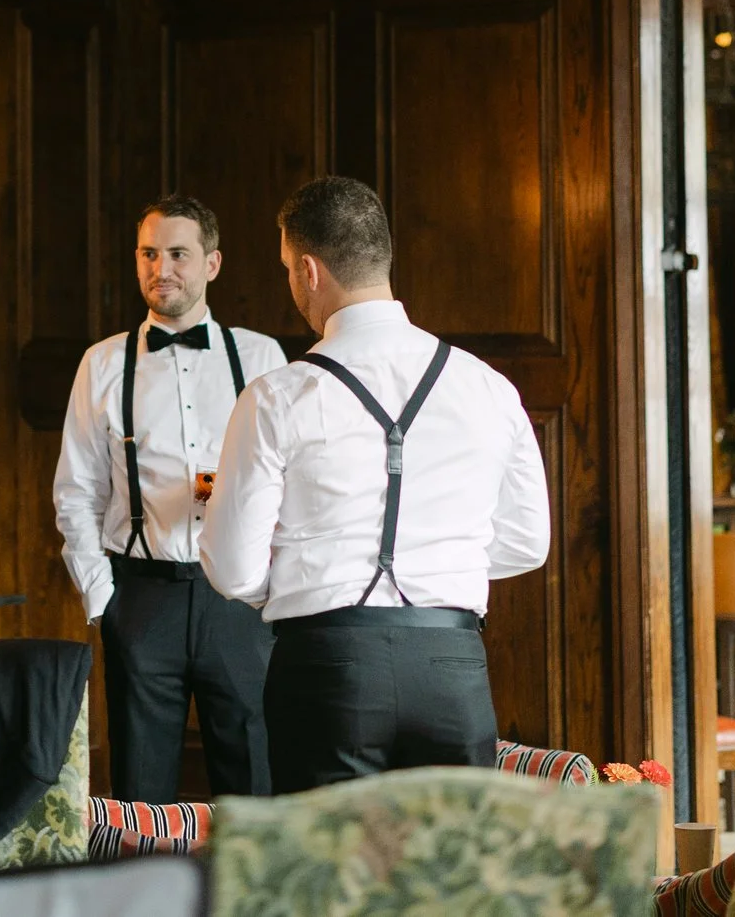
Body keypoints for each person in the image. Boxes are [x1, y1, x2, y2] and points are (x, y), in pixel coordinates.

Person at [202, 175, 549, 794]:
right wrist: (439, 563)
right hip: (452, 667)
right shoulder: (487, 387)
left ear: (309, 270)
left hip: (325, 666)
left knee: (330, 881)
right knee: (447, 881)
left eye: (286, 268)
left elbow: (233, 570)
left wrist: (307, 579)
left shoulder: (278, 395)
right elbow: (527, 542)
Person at [53, 195, 288, 801]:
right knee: (140, 788)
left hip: (239, 601)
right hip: (141, 598)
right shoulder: (101, 363)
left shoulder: (260, 358)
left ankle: (252, 898)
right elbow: (76, 491)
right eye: (149, 254)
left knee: (253, 779)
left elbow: (290, 485)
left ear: (212, 263)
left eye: (178, 254)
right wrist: (102, 597)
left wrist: (273, 590)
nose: (162, 269)